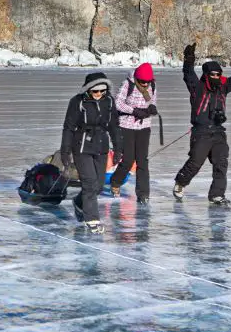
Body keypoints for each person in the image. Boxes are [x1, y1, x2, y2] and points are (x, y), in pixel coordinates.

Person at [173, 43, 231, 205]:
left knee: (221, 163)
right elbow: (188, 74)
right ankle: (181, 183)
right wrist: (189, 58)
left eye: (219, 74)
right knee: (195, 163)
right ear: (207, 75)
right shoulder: (198, 87)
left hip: (218, 132)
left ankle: (217, 194)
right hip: (201, 133)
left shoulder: (223, 87)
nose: (216, 77)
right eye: (213, 74)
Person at [60, 72, 121, 234]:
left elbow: (114, 126)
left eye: (102, 91)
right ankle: (92, 219)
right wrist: (65, 151)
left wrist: (118, 149)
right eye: (95, 91)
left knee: (99, 185)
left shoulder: (109, 101)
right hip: (82, 147)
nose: (99, 94)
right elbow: (69, 127)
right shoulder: (77, 102)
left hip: (101, 146)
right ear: (88, 90)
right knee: (89, 182)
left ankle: (80, 203)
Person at [111, 63, 158, 204]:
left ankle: (143, 195)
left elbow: (152, 100)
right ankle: (115, 182)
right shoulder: (128, 84)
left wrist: (151, 109)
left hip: (144, 127)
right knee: (128, 160)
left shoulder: (152, 85)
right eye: (142, 81)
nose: (144, 84)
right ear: (137, 78)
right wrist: (134, 111)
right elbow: (117, 104)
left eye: (147, 82)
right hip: (126, 126)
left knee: (143, 161)